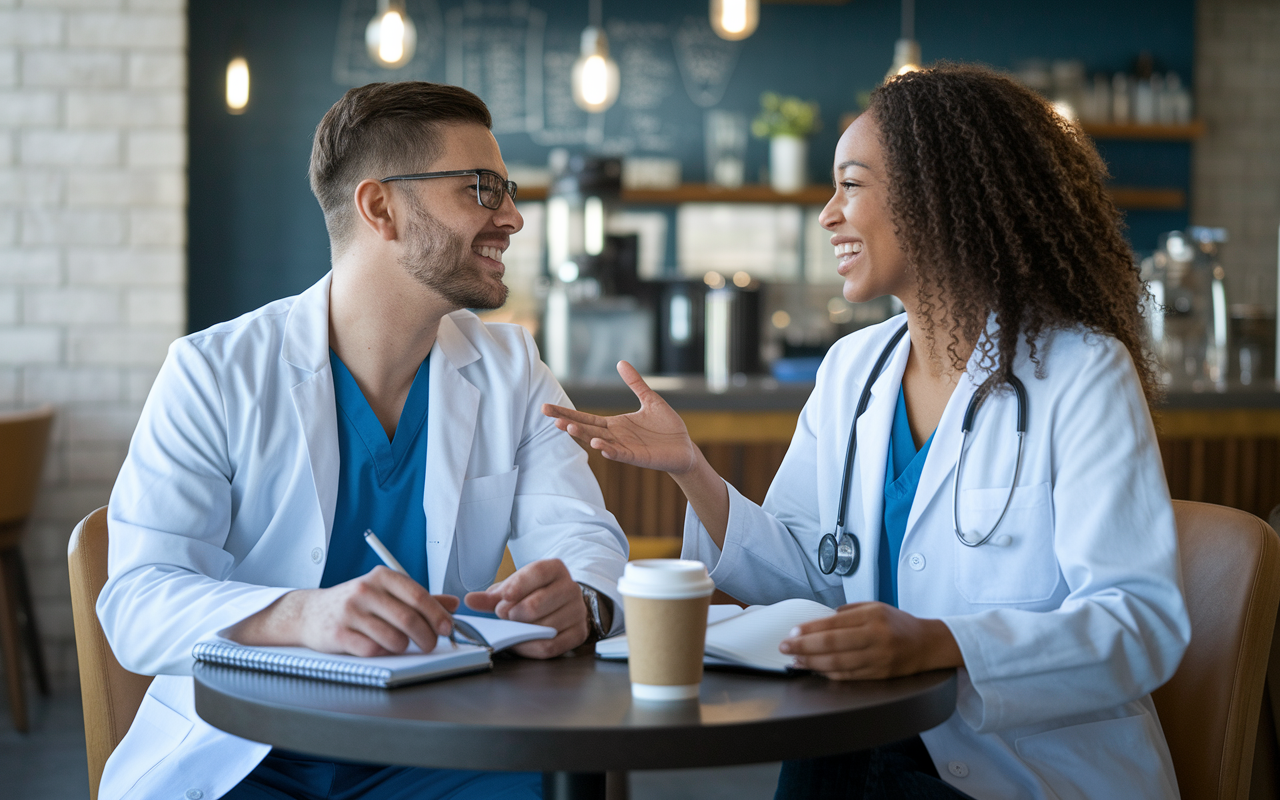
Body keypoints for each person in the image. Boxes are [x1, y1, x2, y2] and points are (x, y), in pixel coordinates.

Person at [545, 64, 1190, 799]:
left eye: (850, 185)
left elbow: (1138, 626)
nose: (827, 214)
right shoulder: (855, 369)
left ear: (938, 196)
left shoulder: (1080, 372)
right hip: (866, 745)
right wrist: (691, 468)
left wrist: (942, 645)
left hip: (1027, 773)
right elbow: (806, 578)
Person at [96, 82, 628, 800]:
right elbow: (136, 600)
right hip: (249, 755)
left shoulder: (513, 371)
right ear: (380, 208)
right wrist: (302, 615)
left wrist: (583, 601)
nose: (512, 216)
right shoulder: (213, 373)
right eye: (481, 188)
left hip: (440, 747)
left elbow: (583, 542)